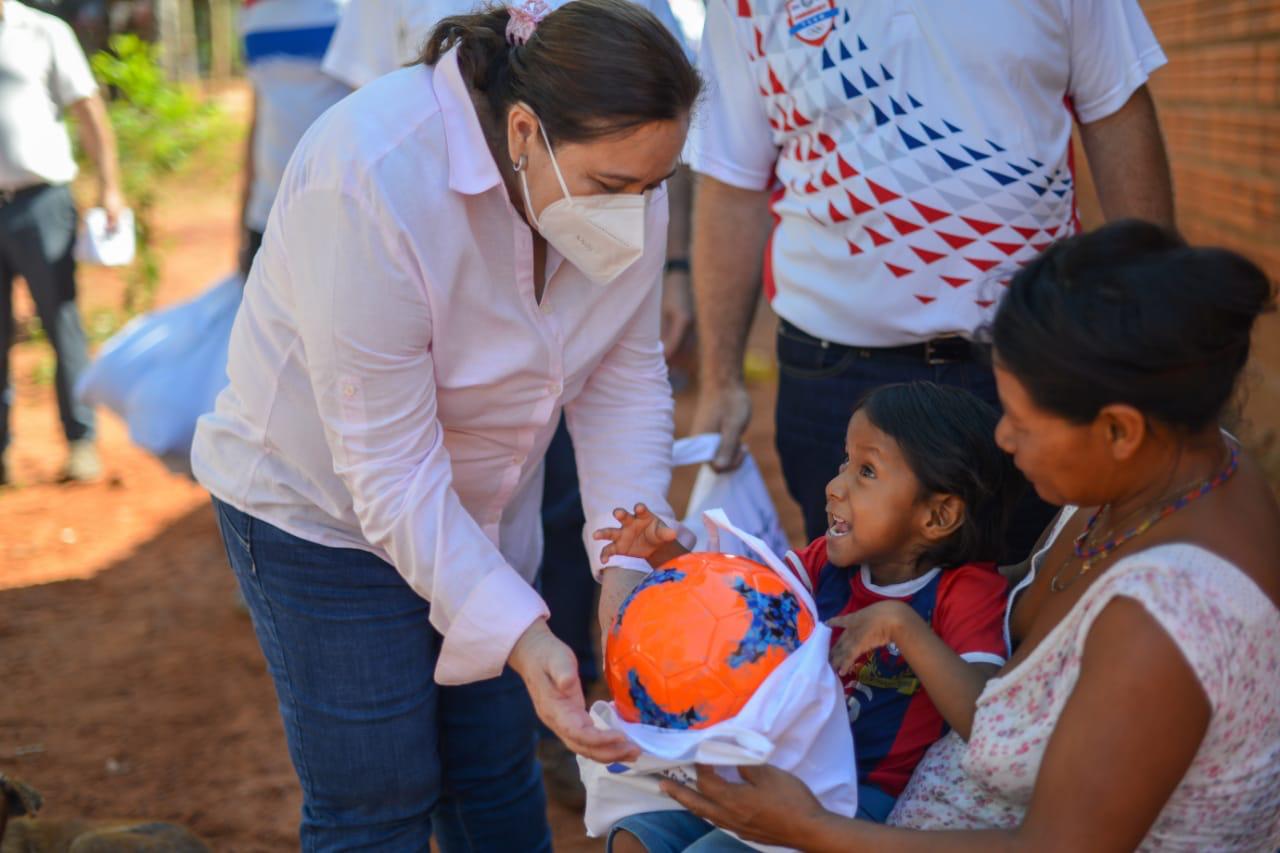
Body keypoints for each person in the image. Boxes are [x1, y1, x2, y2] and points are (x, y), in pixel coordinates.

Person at [190, 0, 701, 847]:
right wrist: (526, 635)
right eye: (614, 188)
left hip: (482, 505)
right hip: (321, 516)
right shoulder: (372, 171)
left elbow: (622, 372)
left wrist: (624, 560)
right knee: (377, 797)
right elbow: (388, 471)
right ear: (526, 130)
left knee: (494, 772)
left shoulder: (631, 170)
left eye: (655, 188)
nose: (636, 212)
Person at [644, 221, 1280, 852]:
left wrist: (810, 831)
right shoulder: (1172, 462)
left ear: (1118, 431)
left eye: (1025, 424)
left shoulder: (1171, 619)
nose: (1003, 439)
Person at [688, 0, 1176, 562]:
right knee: (854, 608)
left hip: (1028, 360)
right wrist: (720, 379)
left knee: (1031, 587)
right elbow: (732, 182)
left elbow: (1116, 110)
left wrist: (1155, 336)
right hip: (835, 374)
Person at [596, 382, 1020, 850]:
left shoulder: (965, 590)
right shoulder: (824, 564)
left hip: (863, 799)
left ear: (938, 516)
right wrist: (667, 557)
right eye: (845, 463)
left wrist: (903, 627)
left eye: (867, 471)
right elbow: (735, 611)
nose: (835, 486)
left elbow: (983, 723)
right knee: (638, 837)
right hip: (778, 767)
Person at [0, 0, 124, 486]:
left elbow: (89, 107)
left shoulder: (44, 32)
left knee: (60, 318)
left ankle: (81, 441)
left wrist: (110, 186)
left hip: (41, 202)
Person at [237, 0, 350, 279]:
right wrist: (243, 218)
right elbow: (260, 114)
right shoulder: (252, 11)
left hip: (335, 217)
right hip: (266, 216)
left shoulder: (353, 9)